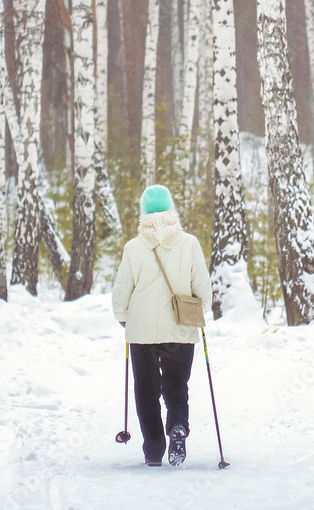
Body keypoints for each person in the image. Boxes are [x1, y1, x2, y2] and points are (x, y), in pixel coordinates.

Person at [112, 184, 212, 467]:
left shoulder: (133, 248)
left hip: (142, 332)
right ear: (171, 210)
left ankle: (154, 449)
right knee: (177, 385)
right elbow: (203, 289)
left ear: (143, 212)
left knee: (145, 389)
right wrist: (200, 310)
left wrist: (122, 315)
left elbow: (122, 291)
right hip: (180, 328)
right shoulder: (189, 243)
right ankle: (178, 425)